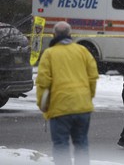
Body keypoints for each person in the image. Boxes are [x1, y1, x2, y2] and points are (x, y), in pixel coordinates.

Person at [36, 21, 99, 165]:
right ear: (70, 34)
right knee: (81, 143)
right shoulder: (82, 51)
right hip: (83, 107)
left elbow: (43, 82)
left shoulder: (49, 54)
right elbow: (93, 76)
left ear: (54, 35)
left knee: (61, 146)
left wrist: (43, 105)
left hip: (60, 107)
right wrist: (88, 96)